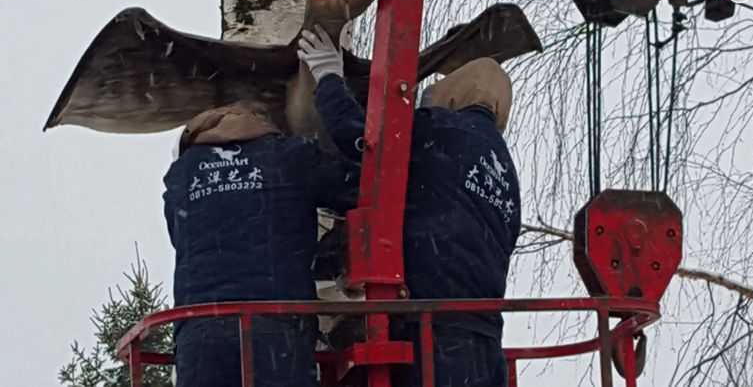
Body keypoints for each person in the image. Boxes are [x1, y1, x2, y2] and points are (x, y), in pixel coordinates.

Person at [298, 27, 522, 387]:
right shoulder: (506, 173)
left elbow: (361, 137)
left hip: (429, 334)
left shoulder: (441, 130)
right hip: (481, 346)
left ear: (455, 90)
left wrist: (328, 77)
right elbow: (428, 205)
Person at [163, 100, 360, 387]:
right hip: (277, 327)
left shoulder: (181, 175)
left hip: (198, 333)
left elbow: (180, 238)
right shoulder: (291, 156)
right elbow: (361, 189)